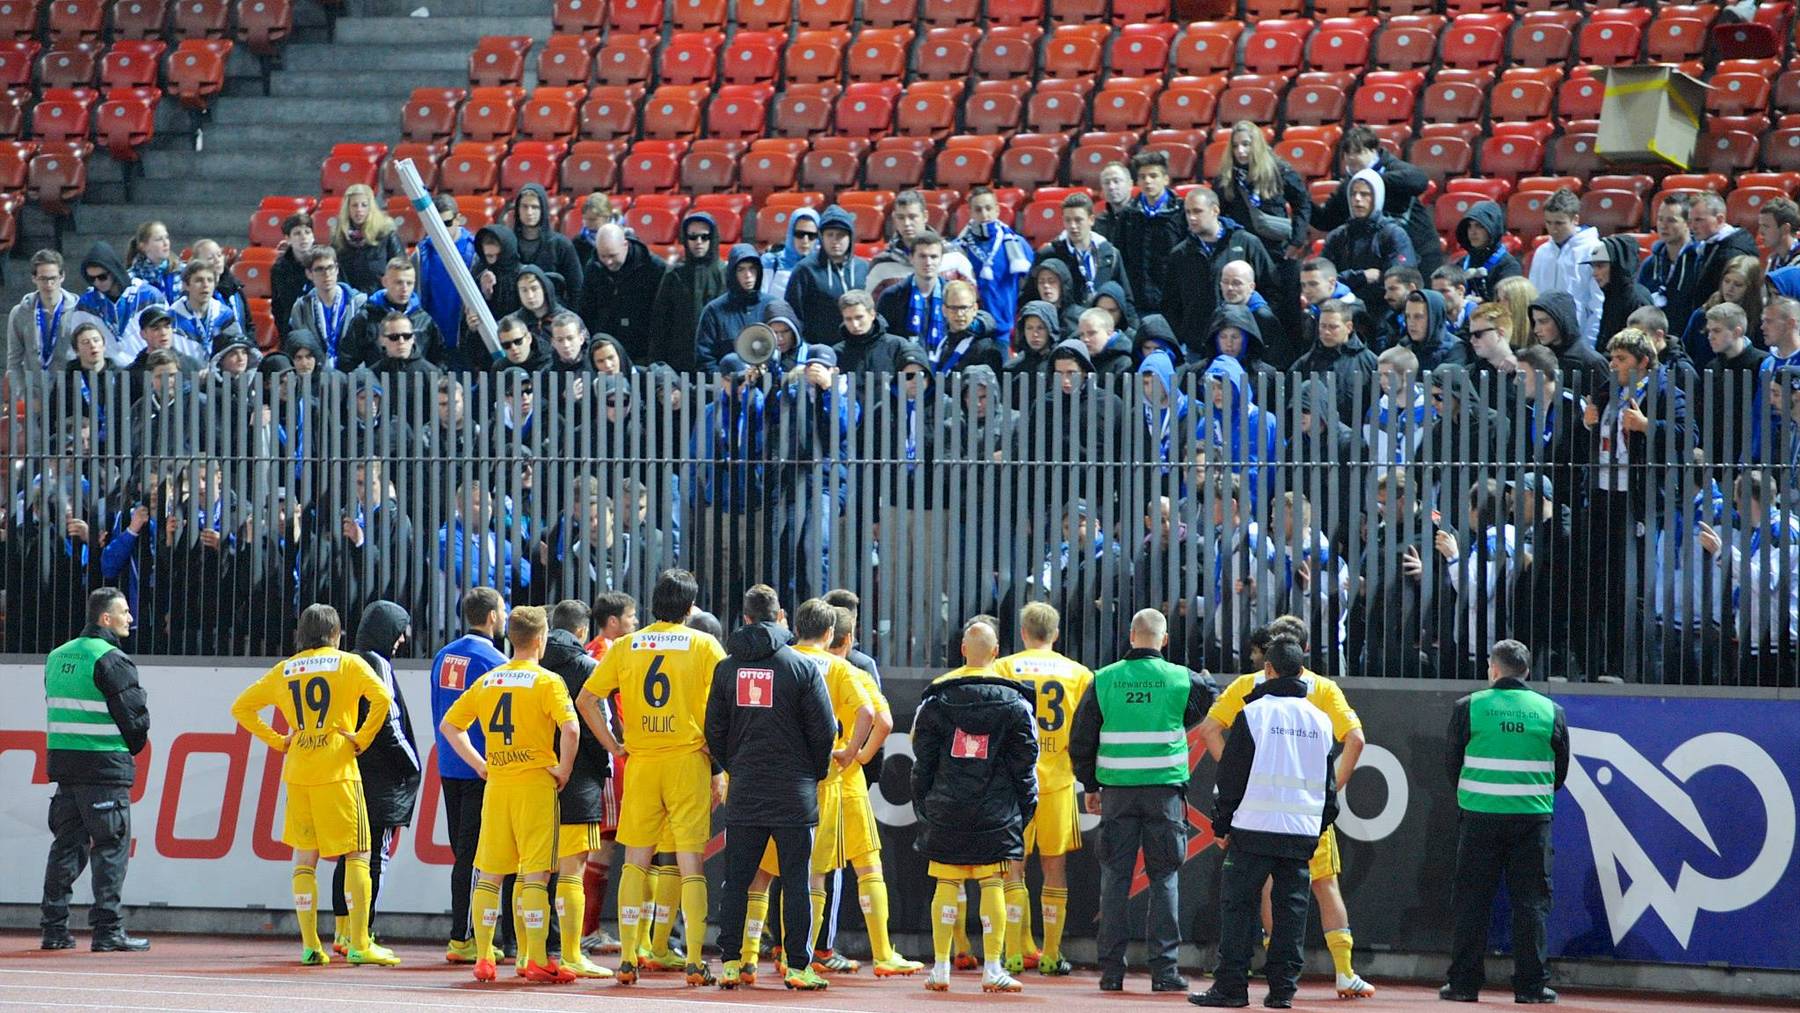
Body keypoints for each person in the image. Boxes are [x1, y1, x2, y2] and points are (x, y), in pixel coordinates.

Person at [1196, 615, 1373, 999]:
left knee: (1251, 898)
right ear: (1304, 653)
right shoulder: (1321, 700)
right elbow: (1355, 740)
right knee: (1316, 891)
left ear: (1268, 662)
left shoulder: (1250, 696)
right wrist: (1323, 802)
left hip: (1256, 818)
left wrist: (1238, 791)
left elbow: (1210, 732)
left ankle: (1237, 982)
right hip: (1304, 820)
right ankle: (1312, 981)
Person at [575, 568, 727, 985]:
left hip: (641, 763)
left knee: (635, 863)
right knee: (690, 862)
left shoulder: (626, 645)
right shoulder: (704, 644)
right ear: (690, 607)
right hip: (686, 762)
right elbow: (726, 703)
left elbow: (587, 700)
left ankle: (627, 959)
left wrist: (613, 745)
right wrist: (718, 754)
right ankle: (695, 960)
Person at [229, 604, 399, 967]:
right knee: (357, 854)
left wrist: (279, 741)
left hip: (300, 771)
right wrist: (361, 738)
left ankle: (310, 945)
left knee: (305, 860)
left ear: (301, 634)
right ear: (337, 634)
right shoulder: (349, 663)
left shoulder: (286, 669)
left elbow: (241, 708)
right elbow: (383, 697)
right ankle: (358, 943)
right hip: (338, 770)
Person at [1069, 608, 1218, 993]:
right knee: (1164, 878)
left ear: (1131, 636)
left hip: (1117, 793)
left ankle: (1112, 973)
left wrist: (1090, 785)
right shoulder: (1180, 679)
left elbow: (1082, 738)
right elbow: (1209, 699)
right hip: (1164, 793)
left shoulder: (1104, 679)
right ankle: (1165, 972)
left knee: (1115, 879)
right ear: (1164, 640)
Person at [439, 604, 582, 984]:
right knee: (534, 877)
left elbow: (450, 726)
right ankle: (534, 958)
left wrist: (479, 763)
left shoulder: (488, 681)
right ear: (540, 640)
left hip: (497, 784)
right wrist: (564, 770)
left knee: (490, 876)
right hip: (534, 785)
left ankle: (484, 957)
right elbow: (571, 730)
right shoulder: (548, 681)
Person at [707, 589, 839, 990]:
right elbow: (824, 731)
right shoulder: (800, 667)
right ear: (780, 616)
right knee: (797, 880)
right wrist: (811, 774)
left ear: (745, 618)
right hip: (793, 791)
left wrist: (738, 767)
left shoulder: (726, 669)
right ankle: (798, 966)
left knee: (737, 880)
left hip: (746, 789)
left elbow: (714, 729)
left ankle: (730, 963)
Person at [912, 617, 1037, 994]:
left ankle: (940, 968)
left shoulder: (936, 696)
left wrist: (926, 805)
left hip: (947, 810)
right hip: (995, 813)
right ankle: (993, 968)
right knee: (992, 883)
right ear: (996, 653)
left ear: (963, 650)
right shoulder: (1015, 703)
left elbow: (923, 760)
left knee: (946, 882)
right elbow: (1025, 764)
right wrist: (1023, 810)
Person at [1440, 640, 1567, 1005]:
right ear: (1527, 671)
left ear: (1492, 670)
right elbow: (1559, 773)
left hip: (1479, 818)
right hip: (1532, 821)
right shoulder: (1550, 711)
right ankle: (1530, 987)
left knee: (1471, 903)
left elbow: (1453, 765)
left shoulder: (1469, 707)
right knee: (1531, 905)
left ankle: (1463, 985)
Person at [39, 588, 151, 953]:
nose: (130, 618)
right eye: (124, 611)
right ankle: (107, 931)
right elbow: (135, 719)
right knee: (110, 849)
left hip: (66, 769)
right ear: (106, 618)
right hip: (104, 769)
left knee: (65, 847)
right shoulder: (112, 659)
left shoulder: (56, 657)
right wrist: (130, 750)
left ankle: (54, 930)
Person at [991, 602, 1092, 977]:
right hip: (1058, 782)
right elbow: (1086, 730)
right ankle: (1051, 954)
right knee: (1055, 868)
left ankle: (1014, 953)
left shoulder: (1004, 667)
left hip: (1014, 784)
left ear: (1022, 632)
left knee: (1012, 869)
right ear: (1056, 633)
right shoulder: (1078, 673)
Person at [324, 601, 420, 956]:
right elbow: (389, 720)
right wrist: (413, 765)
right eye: (399, 632)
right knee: (372, 856)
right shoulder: (377, 664)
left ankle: (342, 931)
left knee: (347, 856)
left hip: (347, 772)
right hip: (378, 776)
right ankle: (361, 934)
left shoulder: (346, 661)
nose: (402, 640)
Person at [430, 587, 510, 964]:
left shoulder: (443, 655)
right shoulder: (494, 660)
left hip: (449, 764)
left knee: (463, 854)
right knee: (479, 857)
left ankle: (463, 934)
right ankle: (466, 937)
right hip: (483, 766)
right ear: (492, 616)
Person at [540, 600, 616, 979]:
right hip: (579, 776)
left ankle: (533, 954)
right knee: (573, 870)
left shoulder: (531, 665)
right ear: (583, 631)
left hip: (535, 777)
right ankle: (571, 953)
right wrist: (611, 751)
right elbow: (596, 722)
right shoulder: (588, 668)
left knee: (535, 871)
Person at [1163, 186, 1278, 360]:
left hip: (1243, 347)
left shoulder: (1246, 242)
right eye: (1187, 212)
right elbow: (1171, 304)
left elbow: (1272, 289)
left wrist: (1253, 325)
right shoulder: (1179, 254)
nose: (1191, 218)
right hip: (1198, 350)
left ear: (1215, 210)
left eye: (1197, 211)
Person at [1321, 170, 1416, 309]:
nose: (1357, 199)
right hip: (1342, 311)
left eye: (1364, 194)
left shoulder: (1394, 234)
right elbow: (1322, 281)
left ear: (1377, 197)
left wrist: (1343, 280)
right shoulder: (1337, 236)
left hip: (1383, 313)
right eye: (1353, 194)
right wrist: (1362, 276)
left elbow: (1398, 282)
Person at [957, 186, 1035, 345]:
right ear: (970, 212)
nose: (984, 214)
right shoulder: (959, 248)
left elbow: (1031, 286)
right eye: (978, 210)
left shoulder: (1016, 244)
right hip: (969, 331)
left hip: (1004, 331)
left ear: (997, 210)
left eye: (988, 208)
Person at [580, 222, 666, 367]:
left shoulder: (654, 268)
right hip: (605, 353)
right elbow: (586, 310)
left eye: (613, 255)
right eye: (603, 256)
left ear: (625, 245)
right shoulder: (593, 267)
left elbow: (662, 316)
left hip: (643, 352)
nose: (608, 262)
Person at [650, 212, 726, 371]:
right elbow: (660, 324)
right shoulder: (674, 275)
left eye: (704, 237)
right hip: (679, 361)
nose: (698, 242)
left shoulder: (725, 273)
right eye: (692, 237)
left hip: (716, 362)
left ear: (713, 238)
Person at [1527, 189, 1604, 347]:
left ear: (1575, 219)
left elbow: (1598, 304)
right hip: (1544, 341)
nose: (1553, 229)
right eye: (1548, 223)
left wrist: (1589, 344)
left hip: (1579, 340)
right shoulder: (1542, 252)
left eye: (1559, 223)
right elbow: (1533, 298)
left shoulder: (1596, 249)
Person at [1115, 150, 1187, 315]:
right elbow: (1121, 258)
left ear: (1166, 179)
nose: (1147, 181)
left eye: (1153, 176)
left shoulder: (1181, 212)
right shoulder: (1128, 214)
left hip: (1174, 302)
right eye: (1142, 176)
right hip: (1138, 303)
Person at [74, 241, 167, 368]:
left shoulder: (149, 296)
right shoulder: (86, 304)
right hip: (107, 376)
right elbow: (76, 346)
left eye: (102, 277)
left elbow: (168, 335)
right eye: (91, 279)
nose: (97, 282)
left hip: (147, 371)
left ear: (114, 271)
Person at [1034, 191, 1131, 311]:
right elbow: (1030, 297)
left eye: (1078, 220)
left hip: (1102, 324)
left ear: (1091, 220)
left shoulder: (1110, 253)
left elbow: (1125, 297)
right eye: (1067, 220)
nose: (1072, 226)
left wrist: (1131, 327)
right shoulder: (1049, 254)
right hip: (1065, 326)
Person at [287, 247, 368, 369]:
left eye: (330, 267)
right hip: (317, 374)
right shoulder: (301, 308)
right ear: (309, 273)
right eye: (319, 269)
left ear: (337, 269)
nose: (326, 274)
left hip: (353, 373)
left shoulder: (359, 303)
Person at [509, 183, 584, 307]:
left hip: (554, 315)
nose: (529, 212)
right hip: (516, 315)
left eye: (535, 207)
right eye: (524, 206)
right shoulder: (508, 243)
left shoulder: (561, 245)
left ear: (543, 209)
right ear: (517, 209)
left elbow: (576, 289)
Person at [9, 249, 83, 373]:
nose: (49, 284)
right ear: (34, 278)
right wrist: (19, 391)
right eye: (43, 279)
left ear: (62, 276)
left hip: (69, 386)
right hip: (33, 388)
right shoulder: (19, 313)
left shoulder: (78, 310)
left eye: (53, 278)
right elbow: (14, 360)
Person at [1452, 201, 1520, 304]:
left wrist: (1482, 303)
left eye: (1479, 226)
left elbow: (1508, 307)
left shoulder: (1508, 266)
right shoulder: (1462, 263)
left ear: (1492, 228)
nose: (1473, 232)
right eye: (1469, 226)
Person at [831, 289, 906, 374]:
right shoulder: (836, 353)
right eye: (848, 319)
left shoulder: (896, 346)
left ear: (872, 314)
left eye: (859, 317)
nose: (855, 324)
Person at [1760, 195, 1800, 272]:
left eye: (1766, 226)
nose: (1761, 232)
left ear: (1785, 229)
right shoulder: (1773, 260)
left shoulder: (1797, 265)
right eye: (1760, 225)